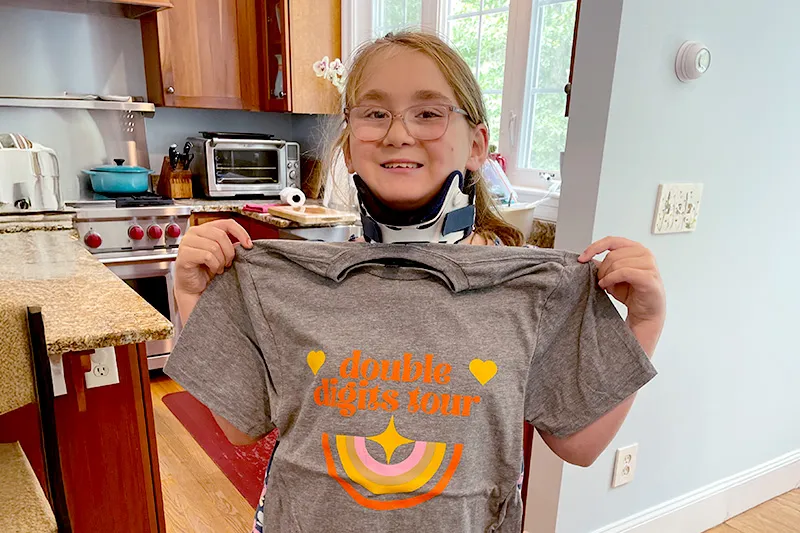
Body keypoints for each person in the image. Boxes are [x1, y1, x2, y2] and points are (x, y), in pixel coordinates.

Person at [169, 31, 666, 532]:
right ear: (347, 146)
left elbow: (579, 446)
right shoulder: (291, 286)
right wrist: (193, 296)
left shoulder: (532, 291)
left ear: (476, 145)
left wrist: (643, 323)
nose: (398, 133)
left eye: (429, 112)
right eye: (374, 113)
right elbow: (239, 426)